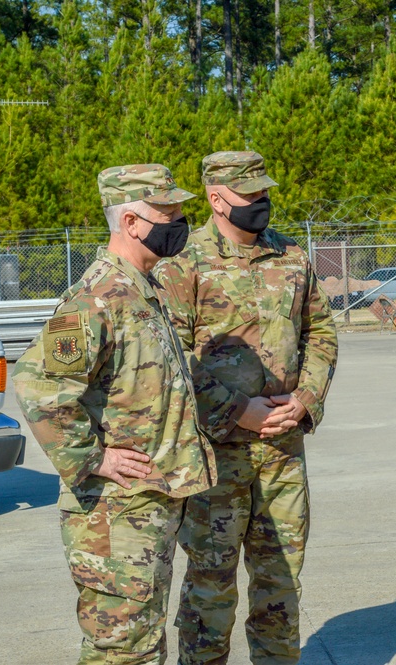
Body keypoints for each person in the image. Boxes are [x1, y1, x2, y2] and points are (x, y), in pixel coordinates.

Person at [13, 164, 216, 664]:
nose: (179, 220)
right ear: (129, 222)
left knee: (145, 642)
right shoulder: (97, 297)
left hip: (151, 502)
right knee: (122, 650)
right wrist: (92, 458)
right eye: (166, 212)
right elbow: (40, 386)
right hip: (114, 512)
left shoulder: (144, 289)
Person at [154, 151, 338, 665]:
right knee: (210, 590)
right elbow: (172, 357)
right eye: (250, 194)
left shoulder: (292, 258)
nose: (262, 202)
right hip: (216, 457)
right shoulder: (182, 265)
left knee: (280, 585)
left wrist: (305, 399)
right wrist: (237, 410)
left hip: (283, 451)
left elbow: (320, 332)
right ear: (217, 199)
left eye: (265, 192)